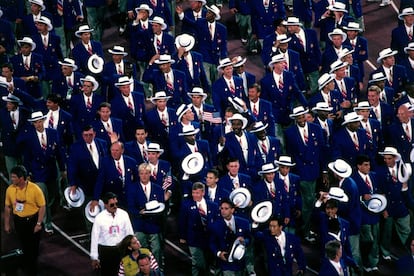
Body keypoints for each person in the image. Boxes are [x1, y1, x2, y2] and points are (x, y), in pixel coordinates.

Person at [4, 165, 46, 275]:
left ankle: (32, 269)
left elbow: (42, 206)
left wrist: (38, 223)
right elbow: (8, 207)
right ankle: (29, 264)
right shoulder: (10, 190)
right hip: (19, 221)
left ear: (21, 178)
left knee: (34, 247)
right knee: (24, 244)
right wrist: (6, 224)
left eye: (14, 177)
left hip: (33, 221)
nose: (11, 179)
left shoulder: (35, 189)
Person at [179, 182, 219, 275]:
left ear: (203, 193)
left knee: (208, 261)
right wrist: (182, 236)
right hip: (193, 238)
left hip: (209, 239)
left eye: (197, 193)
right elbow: (182, 221)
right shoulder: (186, 205)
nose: (194, 195)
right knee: (197, 262)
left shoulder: (213, 205)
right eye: (193, 193)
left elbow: (217, 221)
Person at [90, 192, 134, 276]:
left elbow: (129, 233)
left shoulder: (124, 214)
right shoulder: (99, 218)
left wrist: (132, 248)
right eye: (112, 205)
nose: (115, 206)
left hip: (121, 249)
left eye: (116, 204)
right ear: (105, 205)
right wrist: (94, 257)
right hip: (106, 251)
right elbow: (94, 238)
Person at [209, 198, 251, 275]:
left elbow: (249, 238)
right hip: (225, 262)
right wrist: (219, 253)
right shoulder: (215, 226)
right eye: (221, 208)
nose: (223, 211)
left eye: (226, 209)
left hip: (240, 261)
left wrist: (244, 241)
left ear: (232, 210)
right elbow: (212, 243)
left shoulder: (244, 222)